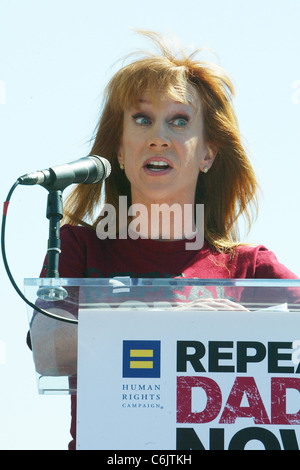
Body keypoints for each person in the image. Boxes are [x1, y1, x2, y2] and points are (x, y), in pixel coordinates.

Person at [28, 31, 299, 450]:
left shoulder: (251, 268)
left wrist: (246, 332)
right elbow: (49, 351)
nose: (159, 136)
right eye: (141, 120)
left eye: (179, 121)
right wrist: (186, 323)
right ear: (119, 151)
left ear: (207, 153)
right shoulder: (79, 247)